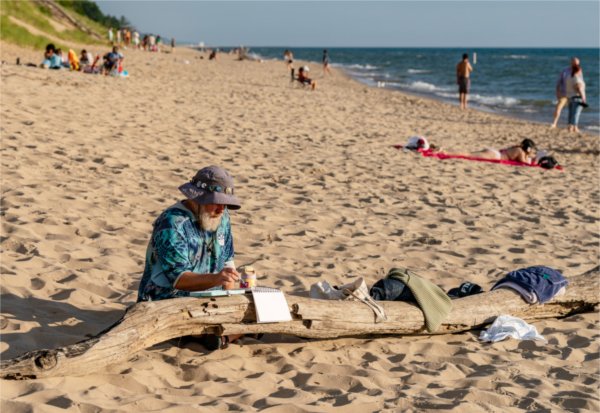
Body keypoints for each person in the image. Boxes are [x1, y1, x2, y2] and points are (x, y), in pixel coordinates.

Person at [137, 166, 243, 349]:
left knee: (259, 308)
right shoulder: (172, 223)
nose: (221, 209)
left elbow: (227, 262)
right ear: (197, 198)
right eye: (215, 202)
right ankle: (222, 336)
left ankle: (223, 334)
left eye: (225, 204)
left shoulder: (222, 217)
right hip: (166, 299)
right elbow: (179, 279)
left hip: (209, 297)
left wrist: (230, 301)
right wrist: (216, 279)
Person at [456, 138, 537, 164]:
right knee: (468, 155)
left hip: (494, 152)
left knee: (469, 154)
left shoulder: (518, 149)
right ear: (528, 149)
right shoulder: (520, 152)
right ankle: (446, 152)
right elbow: (525, 163)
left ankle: (448, 152)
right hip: (495, 155)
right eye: (531, 149)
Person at [550, 58, 576, 128]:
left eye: (577, 63)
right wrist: (557, 92)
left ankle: (573, 125)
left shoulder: (579, 71)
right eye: (574, 62)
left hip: (574, 94)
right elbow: (559, 82)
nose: (575, 64)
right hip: (564, 93)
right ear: (571, 63)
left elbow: (580, 84)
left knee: (573, 110)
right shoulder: (565, 71)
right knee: (558, 107)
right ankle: (554, 123)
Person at [565, 57, 587, 133]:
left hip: (570, 97)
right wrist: (583, 98)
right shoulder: (577, 78)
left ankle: (570, 126)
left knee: (571, 113)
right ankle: (575, 127)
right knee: (576, 113)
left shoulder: (569, 77)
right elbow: (579, 88)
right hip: (577, 97)